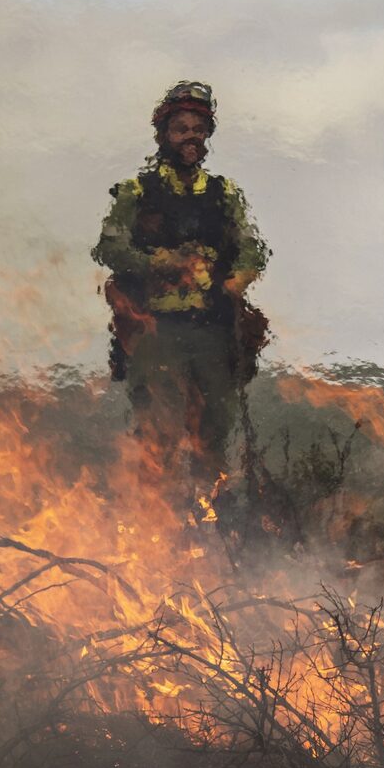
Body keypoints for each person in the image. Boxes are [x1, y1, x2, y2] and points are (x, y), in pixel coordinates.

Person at [92, 81, 269, 494]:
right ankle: (159, 527)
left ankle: (212, 522)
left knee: (214, 434)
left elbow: (251, 250)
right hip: (157, 330)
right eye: (182, 128)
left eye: (199, 129)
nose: (192, 136)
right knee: (159, 434)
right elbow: (110, 247)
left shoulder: (224, 194)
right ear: (163, 136)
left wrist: (236, 280)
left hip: (213, 331)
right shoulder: (136, 193)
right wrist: (160, 262)